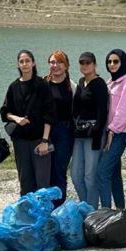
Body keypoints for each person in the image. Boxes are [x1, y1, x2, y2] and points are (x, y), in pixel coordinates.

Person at [1, 50, 56, 196]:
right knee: (25, 180)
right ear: (18, 65)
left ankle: (43, 217)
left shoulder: (42, 85)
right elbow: (5, 112)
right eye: (21, 61)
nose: (25, 64)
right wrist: (16, 118)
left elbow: (49, 114)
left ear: (33, 63)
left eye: (27, 61)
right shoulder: (13, 87)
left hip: (39, 139)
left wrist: (45, 140)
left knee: (42, 182)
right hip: (20, 140)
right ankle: (27, 216)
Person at [69, 52, 109, 208]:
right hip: (80, 133)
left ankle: (91, 211)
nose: (84, 66)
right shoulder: (81, 82)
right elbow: (75, 108)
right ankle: (86, 206)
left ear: (94, 65)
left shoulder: (99, 84)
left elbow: (102, 112)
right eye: (82, 63)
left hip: (94, 134)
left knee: (89, 175)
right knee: (75, 174)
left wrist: (98, 135)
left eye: (88, 63)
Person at [100, 49, 126, 209]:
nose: (112, 64)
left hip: (118, 134)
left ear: (123, 62)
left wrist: (112, 130)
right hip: (108, 133)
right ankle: (121, 210)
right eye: (109, 61)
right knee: (114, 174)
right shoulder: (110, 82)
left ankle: (106, 212)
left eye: (116, 61)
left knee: (102, 173)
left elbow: (124, 110)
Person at [46, 51, 75, 204]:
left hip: (65, 133)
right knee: (46, 170)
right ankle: (46, 207)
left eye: (58, 62)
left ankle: (59, 207)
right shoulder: (44, 84)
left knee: (59, 170)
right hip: (46, 132)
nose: (55, 66)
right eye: (52, 62)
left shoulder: (72, 86)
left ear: (66, 65)